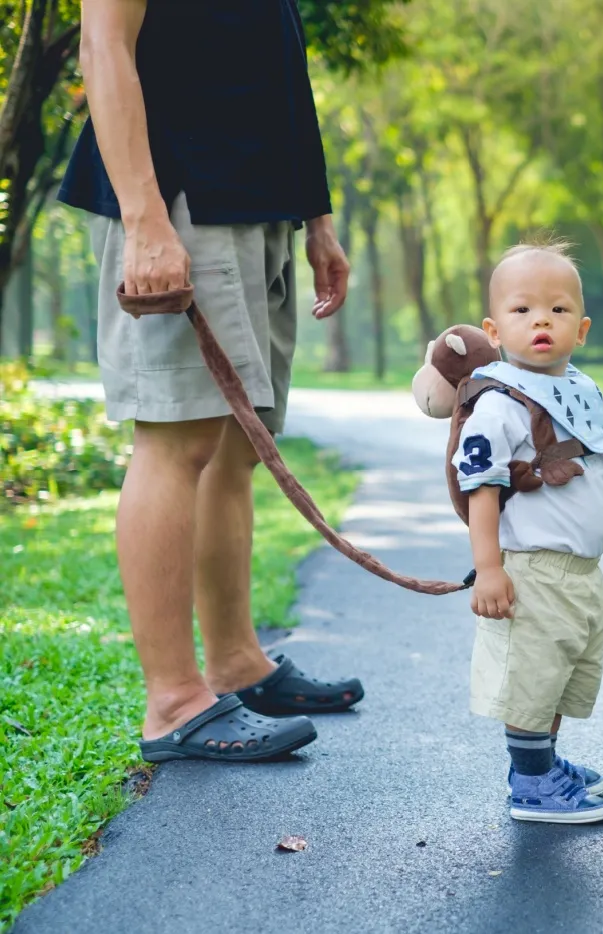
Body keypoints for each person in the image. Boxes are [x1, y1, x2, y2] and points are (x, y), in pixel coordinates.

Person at [57, 0, 359, 762]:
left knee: (236, 445)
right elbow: (104, 46)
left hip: (256, 201)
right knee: (175, 439)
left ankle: (235, 664)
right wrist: (144, 219)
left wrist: (314, 214)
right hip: (180, 200)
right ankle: (174, 702)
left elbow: (278, 59)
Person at [456, 241, 603, 823]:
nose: (541, 319)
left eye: (558, 310)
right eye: (522, 310)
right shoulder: (499, 403)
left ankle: (542, 765)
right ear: (494, 327)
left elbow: (598, 477)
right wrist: (489, 569)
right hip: (531, 571)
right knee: (530, 681)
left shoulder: (582, 395)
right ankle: (531, 787)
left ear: (581, 329)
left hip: (580, 574)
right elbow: (481, 489)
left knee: (560, 680)